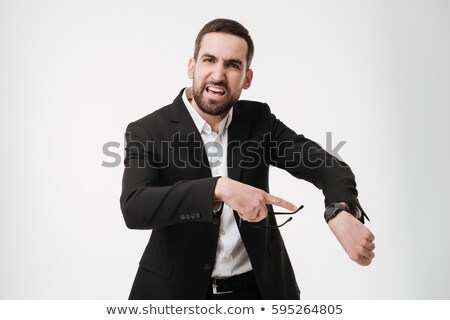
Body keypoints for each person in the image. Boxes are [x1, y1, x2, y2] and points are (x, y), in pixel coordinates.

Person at [120, 18, 375, 300]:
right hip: (176, 294)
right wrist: (218, 188)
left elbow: (326, 165)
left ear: (247, 78)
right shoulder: (147, 131)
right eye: (209, 60)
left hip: (260, 291)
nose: (218, 75)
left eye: (232, 65)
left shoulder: (259, 121)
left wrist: (338, 210)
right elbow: (135, 206)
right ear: (192, 66)